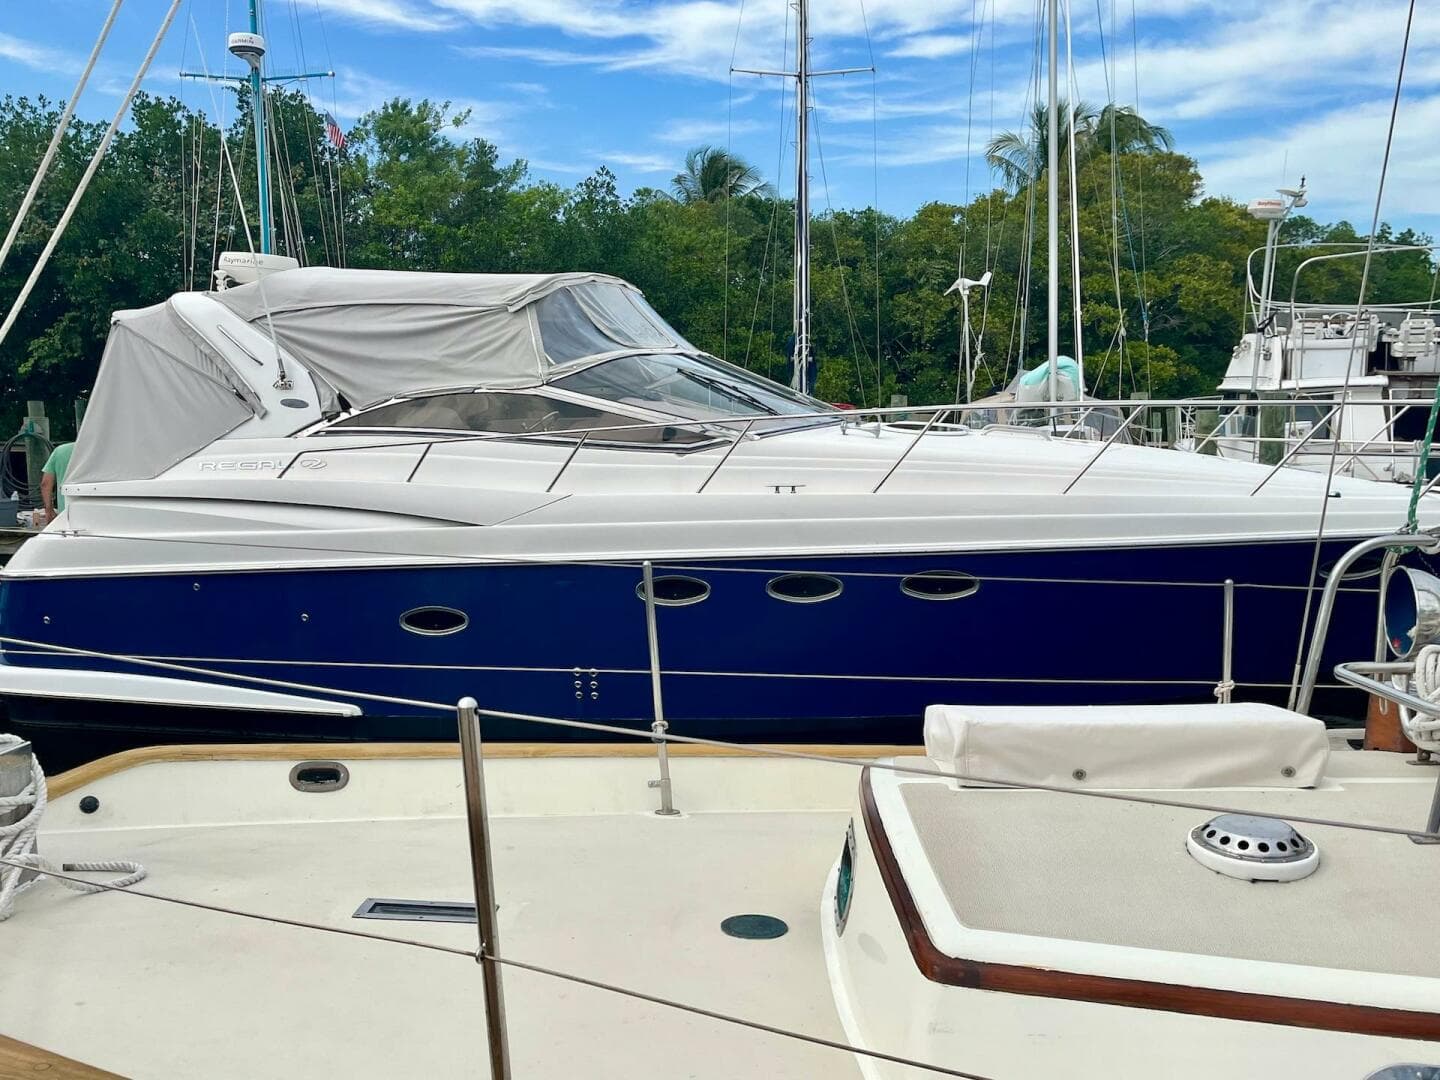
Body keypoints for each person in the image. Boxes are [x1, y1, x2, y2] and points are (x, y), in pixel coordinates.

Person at [39, 441, 74, 526]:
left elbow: (45, 484)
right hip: (98, 510)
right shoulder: (100, 452)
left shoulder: (60, 451)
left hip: (66, 512)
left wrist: (49, 510)